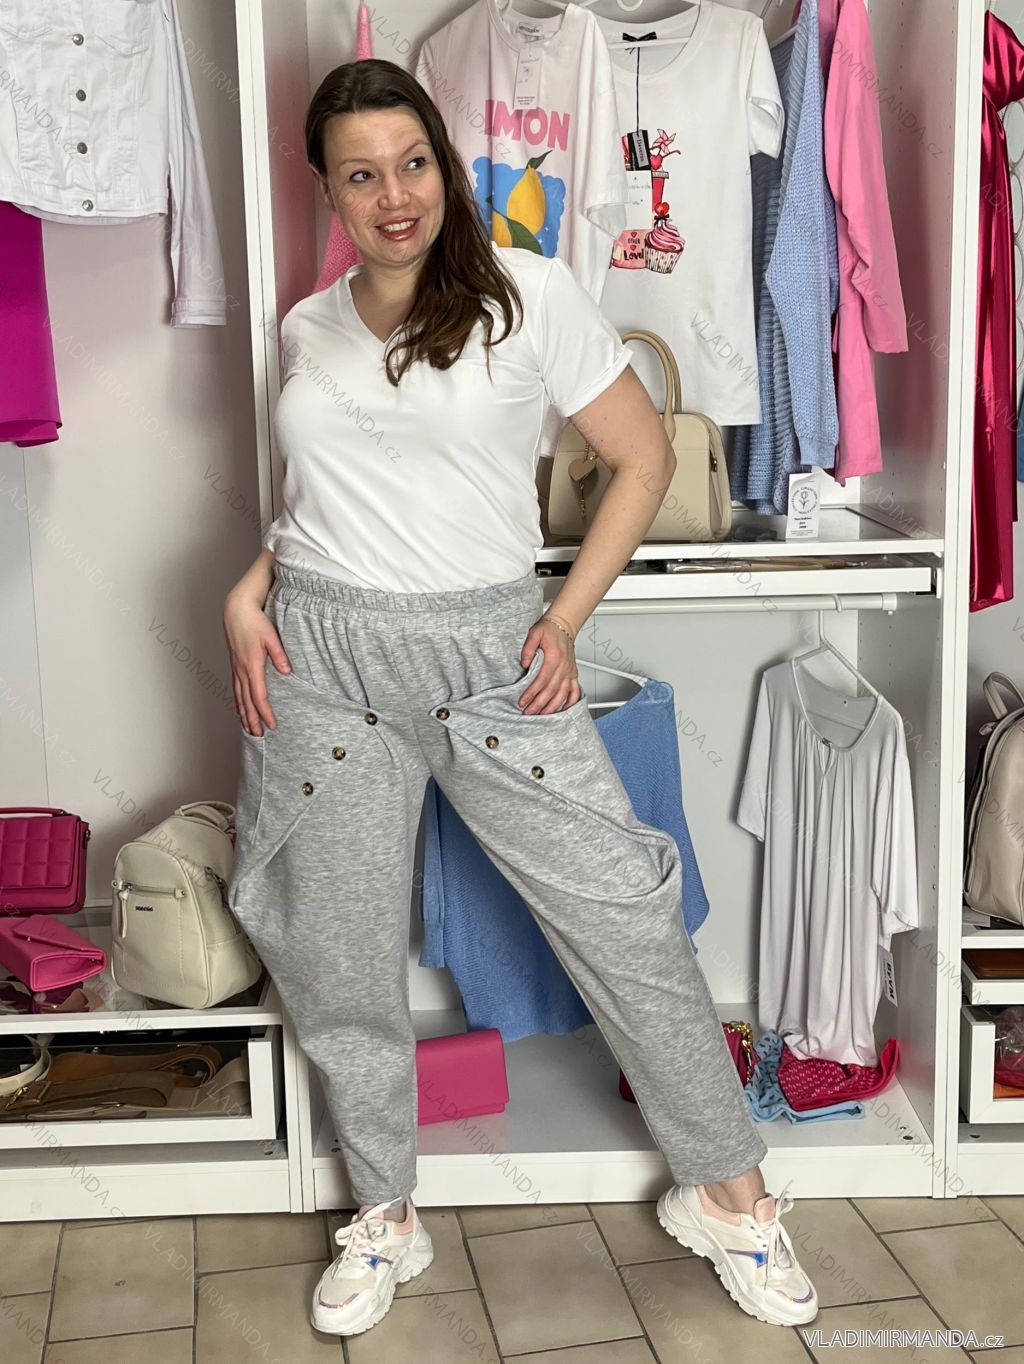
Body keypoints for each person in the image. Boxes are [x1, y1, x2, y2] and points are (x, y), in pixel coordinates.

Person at [222, 56, 818, 1341]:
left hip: (488, 654)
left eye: (413, 163)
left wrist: (561, 619)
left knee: (622, 910)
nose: (395, 196)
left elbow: (642, 457)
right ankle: (385, 1208)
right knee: (335, 947)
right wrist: (248, 586)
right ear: (326, 189)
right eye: (362, 174)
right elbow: (320, 499)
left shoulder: (528, 295)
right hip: (321, 658)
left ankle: (729, 1191)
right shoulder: (306, 328)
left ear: (444, 165)